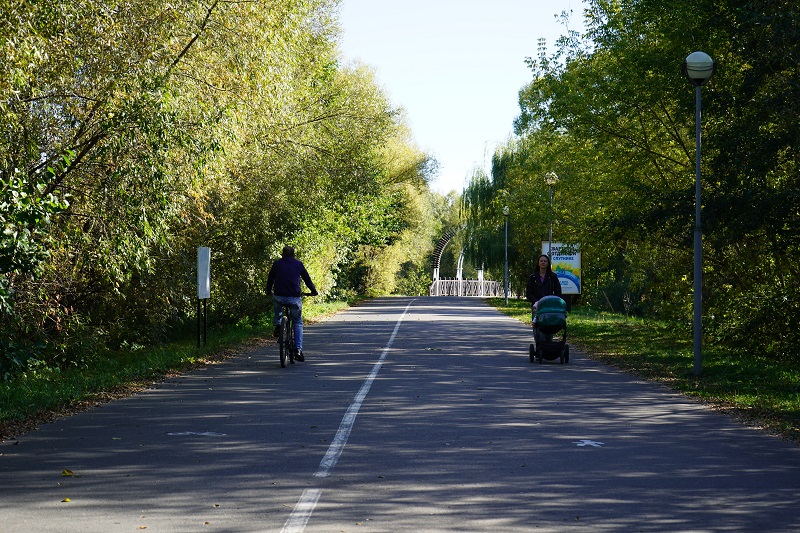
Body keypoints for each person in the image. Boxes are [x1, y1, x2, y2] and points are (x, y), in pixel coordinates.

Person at [266, 245, 318, 362]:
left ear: (282, 254)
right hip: (294, 298)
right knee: (298, 322)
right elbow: (307, 279)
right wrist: (313, 291)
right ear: (294, 255)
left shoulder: (277, 264)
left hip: (279, 296)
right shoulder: (298, 264)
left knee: (277, 306)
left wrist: (268, 291)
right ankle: (298, 349)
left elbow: (270, 278)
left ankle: (278, 324)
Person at [526, 254, 563, 324]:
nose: (543, 262)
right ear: (538, 263)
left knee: (549, 324)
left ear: (548, 264)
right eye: (541, 261)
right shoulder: (533, 277)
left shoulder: (553, 277)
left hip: (549, 305)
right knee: (537, 325)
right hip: (536, 305)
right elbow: (529, 293)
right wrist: (536, 301)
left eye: (545, 261)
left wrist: (556, 302)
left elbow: (558, 291)